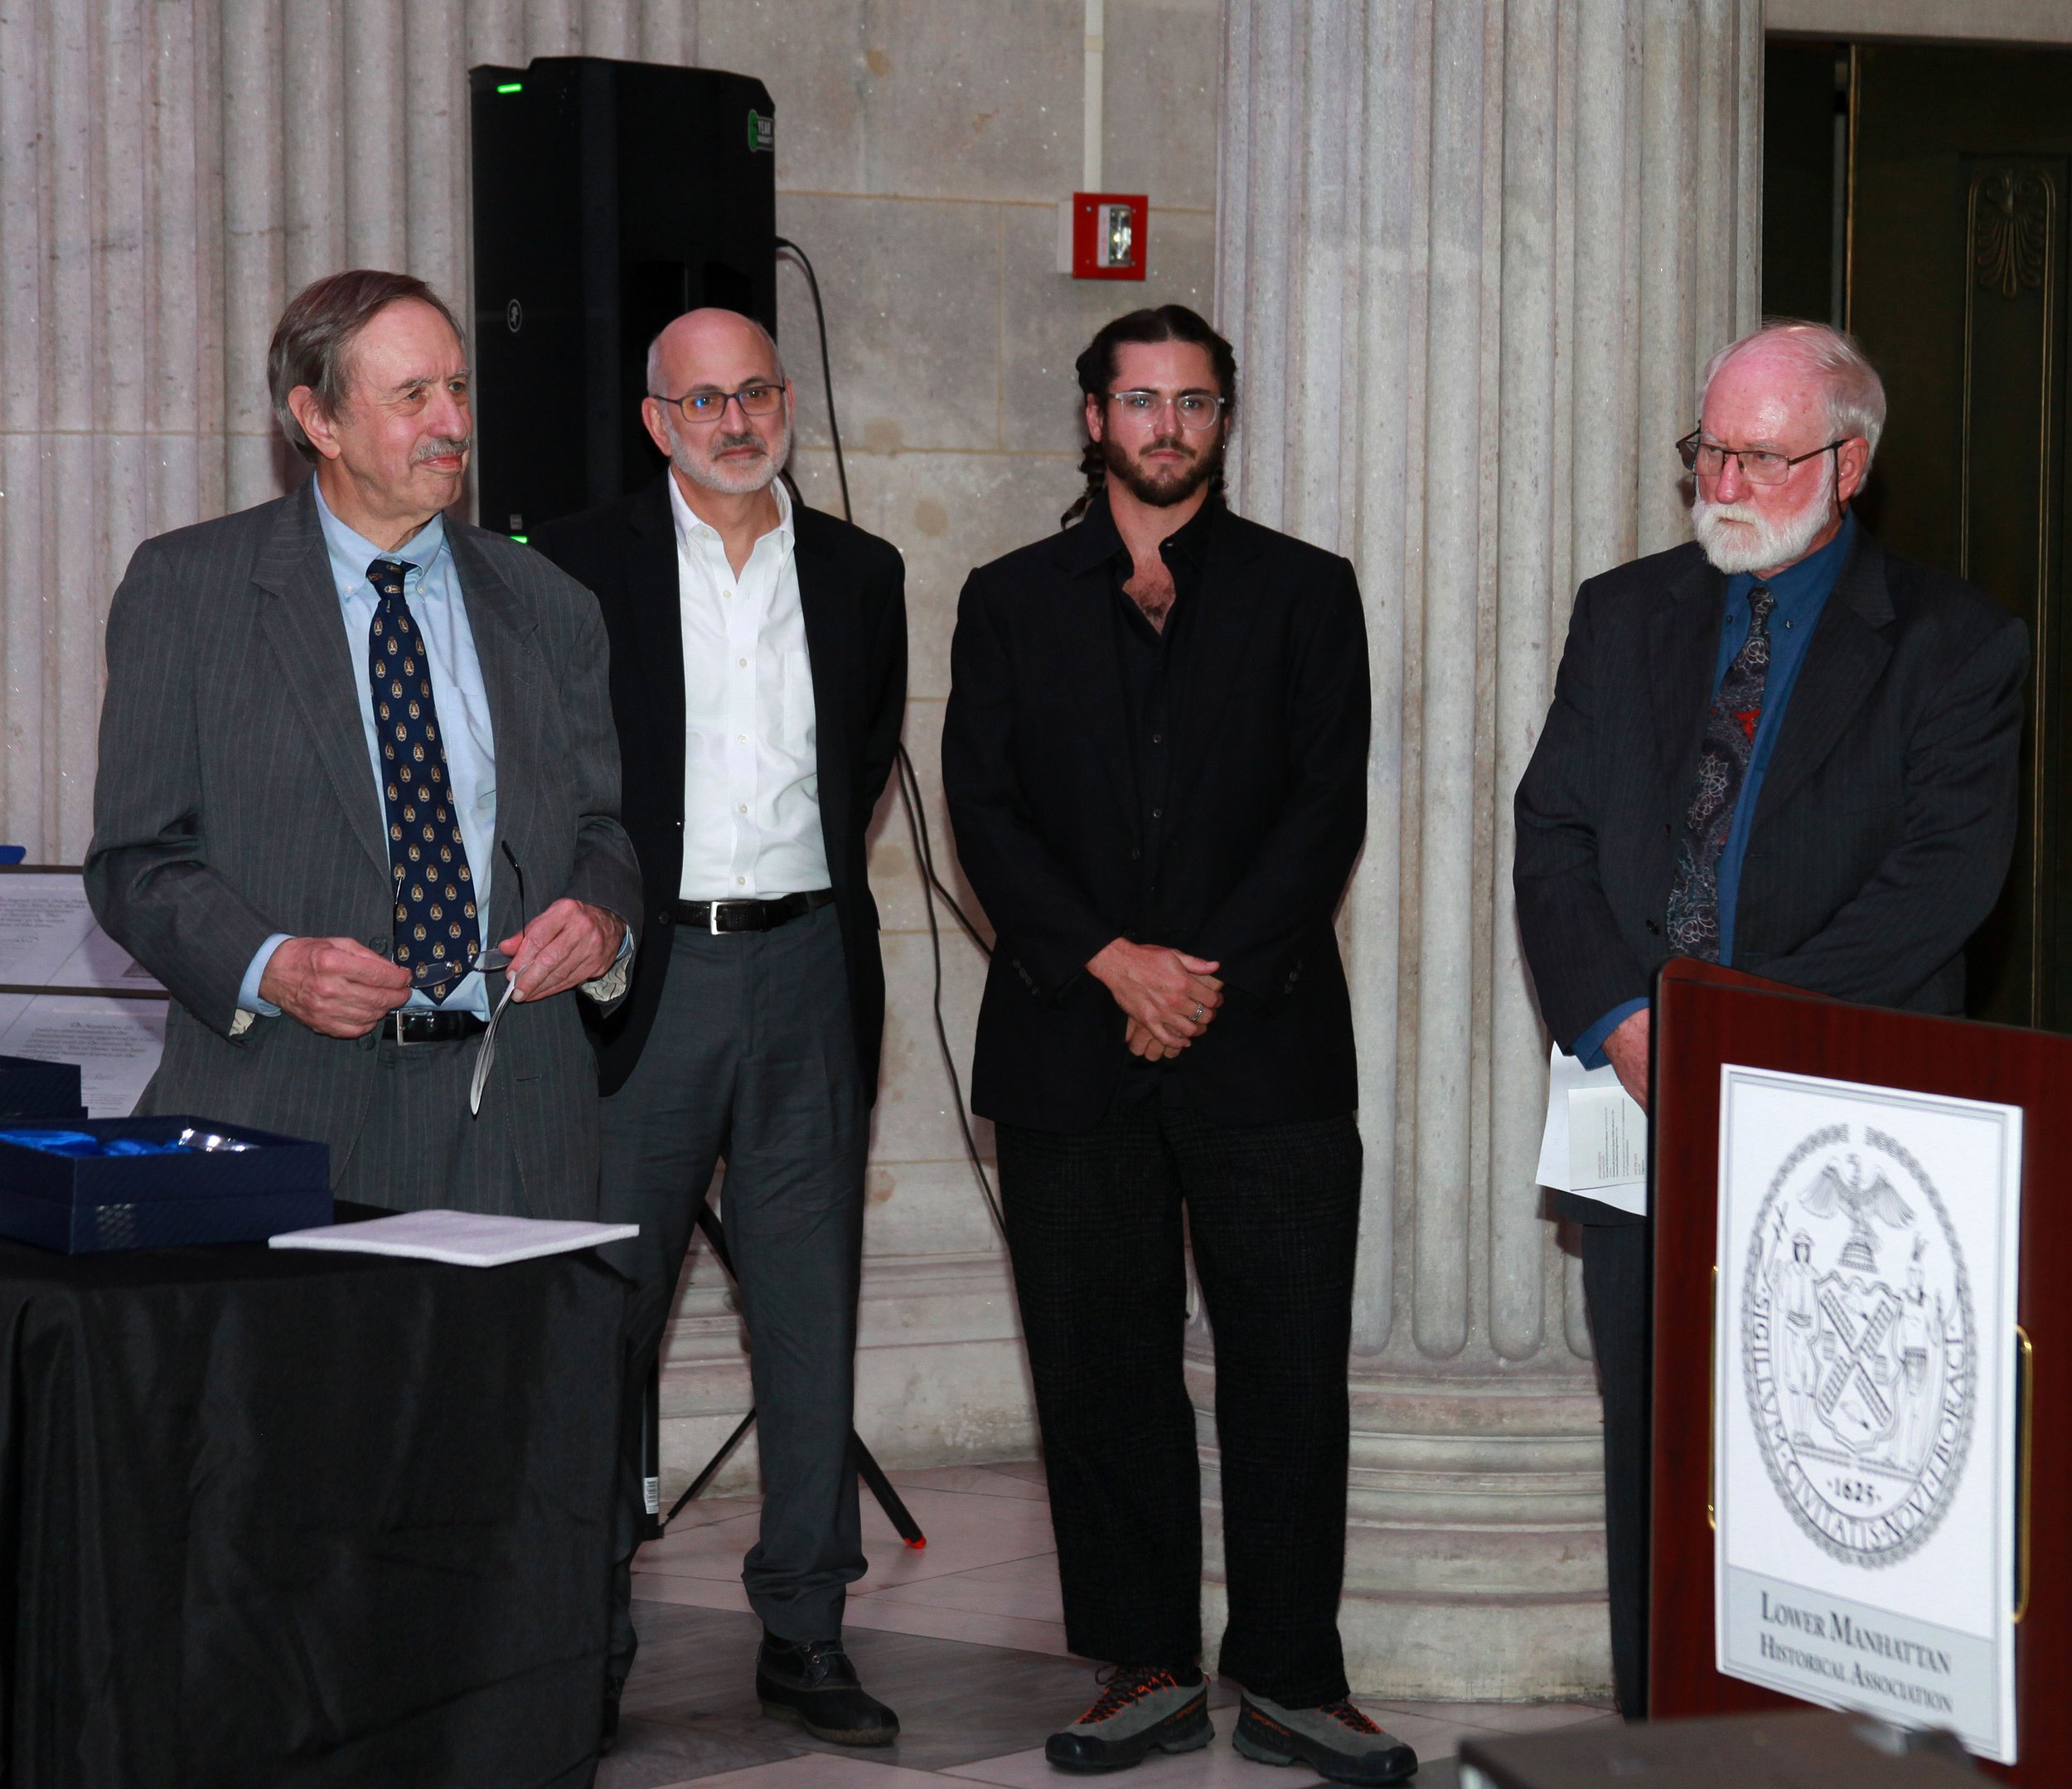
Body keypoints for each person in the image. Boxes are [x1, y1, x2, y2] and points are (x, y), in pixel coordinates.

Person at [1513, 319, 2026, 1715]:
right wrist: (1624, 1017)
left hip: (1844, 1136)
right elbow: (1551, 832)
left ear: (1847, 464)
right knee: (1658, 1457)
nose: (1723, 481)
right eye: (1709, 448)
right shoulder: (1626, 612)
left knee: (1827, 1472)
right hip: (1639, 1110)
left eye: (1762, 453)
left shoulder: (1956, 643)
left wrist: (1740, 1037)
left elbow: (1943, 884)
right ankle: (1649, 1730)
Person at [942, 304, 1416, 1786]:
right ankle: (1141, 1663)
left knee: (1285, 1364)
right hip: (1068, 1043)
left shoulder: (1303, 592)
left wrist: (1198, 975)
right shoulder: (1009, 597)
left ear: (1225, 419)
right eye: (1138, 400)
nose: (1165, 426)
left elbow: (1322, 804)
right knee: (1100, 1368)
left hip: (1260, 1038)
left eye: (1192, 402)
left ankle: (1291, 1675)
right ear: (1091, 417)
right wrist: (1107, 961)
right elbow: (985, 806)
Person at [530, 308, 907, 1750]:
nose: (735, 419)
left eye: (755, 391)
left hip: (808, 964)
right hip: (648, 976)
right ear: (655, 420)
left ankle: (807, 1628)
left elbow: (861, 758)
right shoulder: (573, 562)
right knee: (601, 1316)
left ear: (790, 398)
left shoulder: (864, 572)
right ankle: (584, 1627)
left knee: (809, 1310)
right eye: (703, 399)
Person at [85, 269, 638, 1215]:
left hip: (518, 1122)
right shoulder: (190, 590)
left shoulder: (550, 604)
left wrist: (601, 921)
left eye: (458, 388)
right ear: (320, 420)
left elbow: (601, 828)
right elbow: (137, 860)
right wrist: (272, 966)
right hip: (286, 1107)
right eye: (413, 395)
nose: (452, 423)